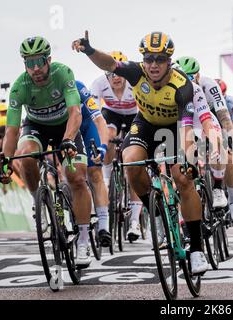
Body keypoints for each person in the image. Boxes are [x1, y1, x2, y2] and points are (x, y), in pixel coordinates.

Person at [72, 31, 209, 274]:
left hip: (175, 129)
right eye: (149, 59)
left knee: (184, 178)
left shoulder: (182, 86)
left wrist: (189, 159)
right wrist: (90, 51)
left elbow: (187, 128)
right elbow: (110, 64)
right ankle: (154, 212)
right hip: (145, 124)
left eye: (159, 59)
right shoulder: (137, 72)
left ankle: (197, 249)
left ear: (169, 61)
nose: (153, 65)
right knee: (131, 163)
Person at [0, 36, 93, 267]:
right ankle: (38, 202)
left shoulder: (63, 73)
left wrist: (69, 140)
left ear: (48, 59)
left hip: (65, 126)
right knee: (26, 156)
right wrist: (6, 160)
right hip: (36, 126)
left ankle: (83, 240)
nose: (35, 68)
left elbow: (75, 112)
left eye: (39, 61)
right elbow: (11, 130)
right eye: (29, 64)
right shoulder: (20, 86)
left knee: (76, 177)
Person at [176, 57, 233, 222]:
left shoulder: (209, 85)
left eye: (191, 78)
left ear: (198, 75)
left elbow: (223, 115)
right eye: (184, 78)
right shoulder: (174, 87)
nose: (188, 82)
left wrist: (232, 139)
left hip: (207, 117)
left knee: (224, 152)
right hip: (186, 121)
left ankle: (225, 194)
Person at [90, 51, 143, 242]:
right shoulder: (98, 84)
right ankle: (106, 176)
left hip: (133, 115)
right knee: (109, 135)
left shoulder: (134, 82)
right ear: (106, 75)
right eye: (111, 74)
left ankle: (135, 222)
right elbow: (94, 113)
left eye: (119, 73)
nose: (116, 78)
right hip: (111, 113)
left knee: (133, 164)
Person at [76, 80, 112, 246]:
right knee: (74, 174)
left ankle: (104, 227)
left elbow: (99, 121)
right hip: (69, 129)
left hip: (87, 125)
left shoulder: (80, 88)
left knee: (95, 172)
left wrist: (103, 146)